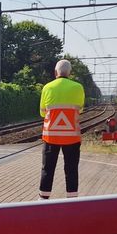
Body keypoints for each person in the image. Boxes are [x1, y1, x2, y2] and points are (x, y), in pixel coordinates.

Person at [38, 59, 86, 199]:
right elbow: (80, 109)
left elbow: (42, 112)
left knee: (47, 168)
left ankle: (43, 199)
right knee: (71, 169)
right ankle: (72, 199)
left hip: (50, 136)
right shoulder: (78, 87)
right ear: (70, 73)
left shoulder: (47, 87)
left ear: (55, 73)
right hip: (72, 137)